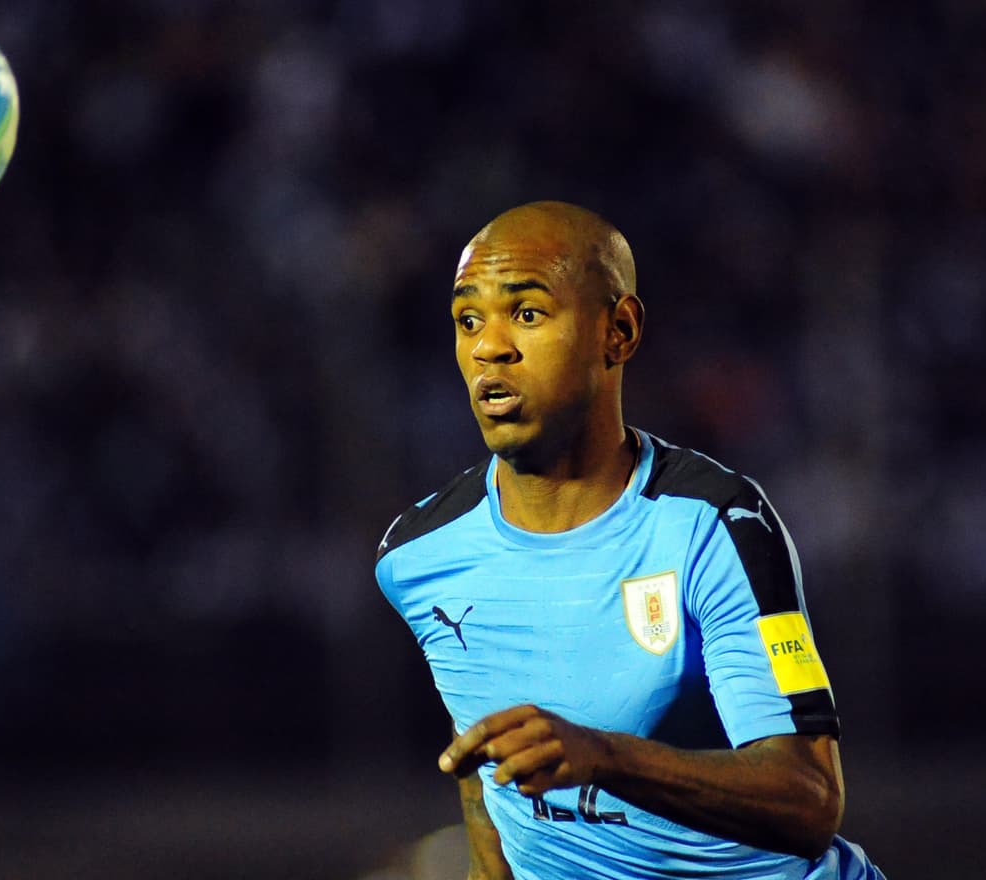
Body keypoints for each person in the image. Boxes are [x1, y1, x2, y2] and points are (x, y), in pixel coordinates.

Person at [374, 201, 886, 879]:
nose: (490, 347)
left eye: (527, 314)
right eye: (469, 320)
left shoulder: (716, 526)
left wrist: (605, 756)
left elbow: (811, 801)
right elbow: (482, 753)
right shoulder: (419, 556)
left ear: (618, 330)